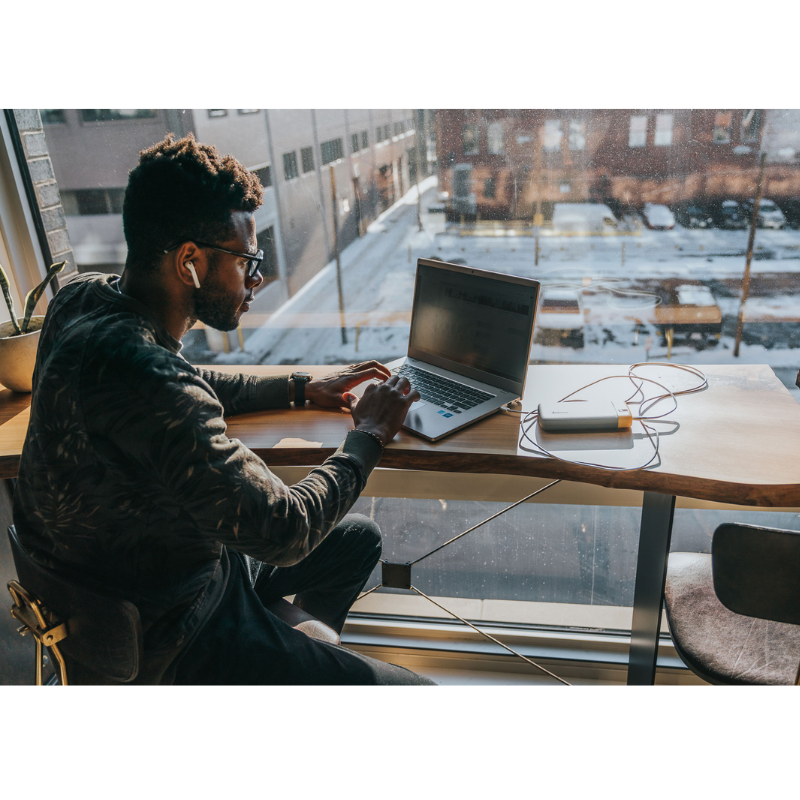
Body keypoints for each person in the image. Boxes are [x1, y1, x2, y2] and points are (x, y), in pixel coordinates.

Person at [12, 133, 433, 685]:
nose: (257, 277)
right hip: (179, 631)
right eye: (246, 261)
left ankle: (286, 661)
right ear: (189, 261)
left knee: (359, 542)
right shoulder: (146, 376)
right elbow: (285, 531)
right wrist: (370, 432)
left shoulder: (82, 301)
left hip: (169, 574)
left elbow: (186, 379)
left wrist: (300, 388)